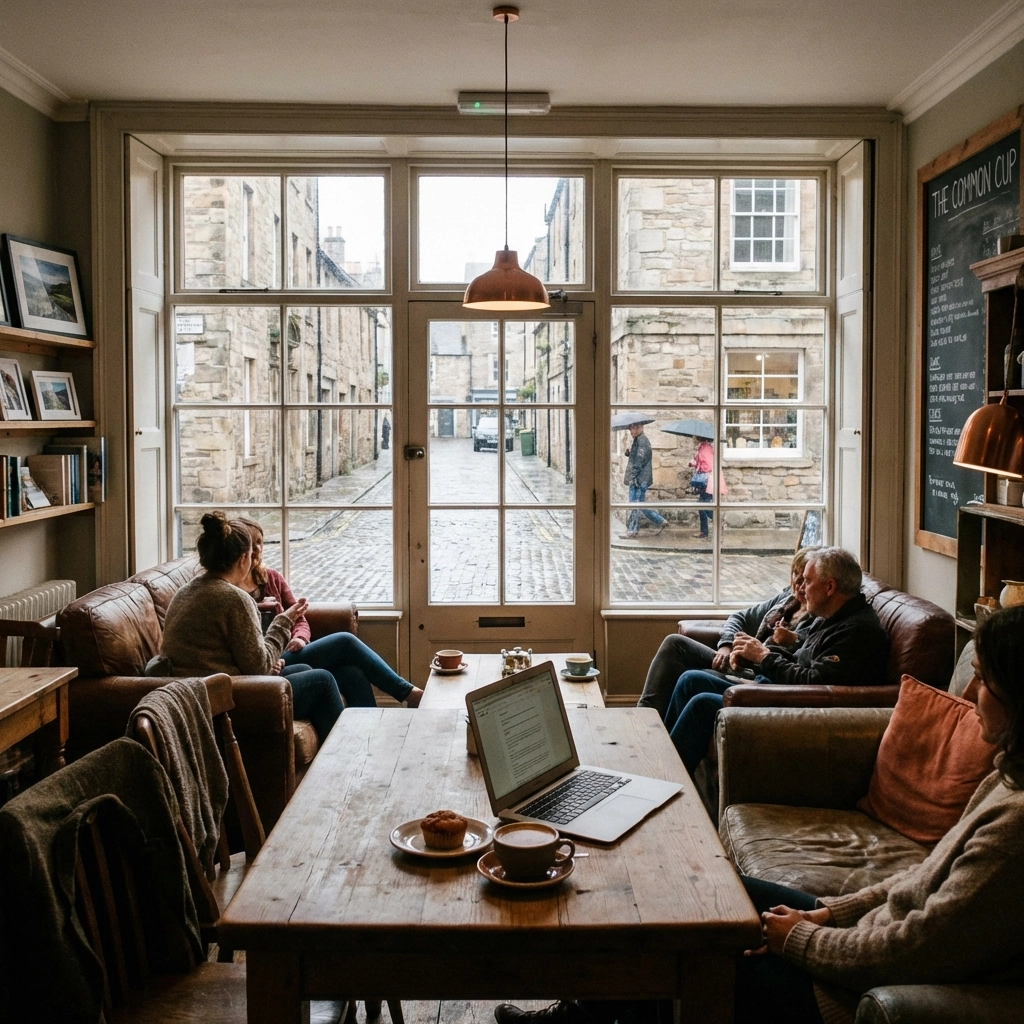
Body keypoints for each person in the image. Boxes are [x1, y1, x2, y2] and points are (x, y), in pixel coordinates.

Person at [495, 605, 1024, 1024]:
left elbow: (912, 952)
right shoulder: (1005, 777)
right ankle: (586, 1013)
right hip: (856, 933)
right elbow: (923, 877)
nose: (970, 695)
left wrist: (801, 938)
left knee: (678, 949)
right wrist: (832, 911)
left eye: (985, 683)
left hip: (846, 985)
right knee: (687, 889)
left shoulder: (1013, 833)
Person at [663, 546, 890, 773]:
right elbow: (801, 658)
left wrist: (764, 657)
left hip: (793, 704)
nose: (801, 589)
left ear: (830, 587)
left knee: (702, 704)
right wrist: (753, 656)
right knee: (690, 679)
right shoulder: (830, 616)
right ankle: (659, 756)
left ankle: (669, 778)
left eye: (808, 581)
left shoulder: (857, 632)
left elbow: (815, 683)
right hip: (777, 687)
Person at [160, 512, 345, 743]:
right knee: (323, 680)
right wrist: (284, 621)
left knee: (305, 669)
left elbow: (236, 656)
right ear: (242, 559)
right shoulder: (234, 598)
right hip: (225, 698)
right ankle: (344, 752)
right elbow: (259, 667)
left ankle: (323, 763)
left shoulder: (185, 592)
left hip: (195, 691)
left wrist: (268, 660)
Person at [236, 516, 423, 708]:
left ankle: (369, 733)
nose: (257, 548)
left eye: (260, 542)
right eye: (252, 543)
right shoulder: (231, 592)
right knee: (344, 641)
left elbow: (299, 618)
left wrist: (300, 638)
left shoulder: (272, 577)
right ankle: (408, 693)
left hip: (289, 651)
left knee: (351, 674)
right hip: (268, 660)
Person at [637, 546, 819, 718]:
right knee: (675, 644)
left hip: (758, 675)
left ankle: (658, 734)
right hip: (739, 659)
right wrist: (726, 645)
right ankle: (643, 718)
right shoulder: (785, 599)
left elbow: (806, 657)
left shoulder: (818, 614)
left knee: (690, 678)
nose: (798, 583)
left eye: (805, 579)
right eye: (796, 574)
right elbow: (739, 617)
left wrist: (793, 640)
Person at [620, 422, 666, 539]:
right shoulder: (638, 440)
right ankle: (660, 521)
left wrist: (633, 477)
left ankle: (633, 530)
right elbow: (638, 457)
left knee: (635, 504)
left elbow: (639, 461)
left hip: (639, 479)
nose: (632, 431)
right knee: (639, 504)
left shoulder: (642, 441)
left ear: (641, 428)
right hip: (640, 478)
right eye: (631, 428)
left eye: (635, 428)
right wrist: (629, 453)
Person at [689, 436, 714, 539]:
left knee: (703, 506)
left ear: (698, 438)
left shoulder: (705, 448)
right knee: (703, 505)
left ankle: (709, 528)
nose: (692, 439)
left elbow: (708, 466)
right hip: (706, 481)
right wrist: (695, 463)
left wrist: (698, 466)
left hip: (707, 481)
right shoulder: (703, 447)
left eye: (694, 437)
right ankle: (705, 531)